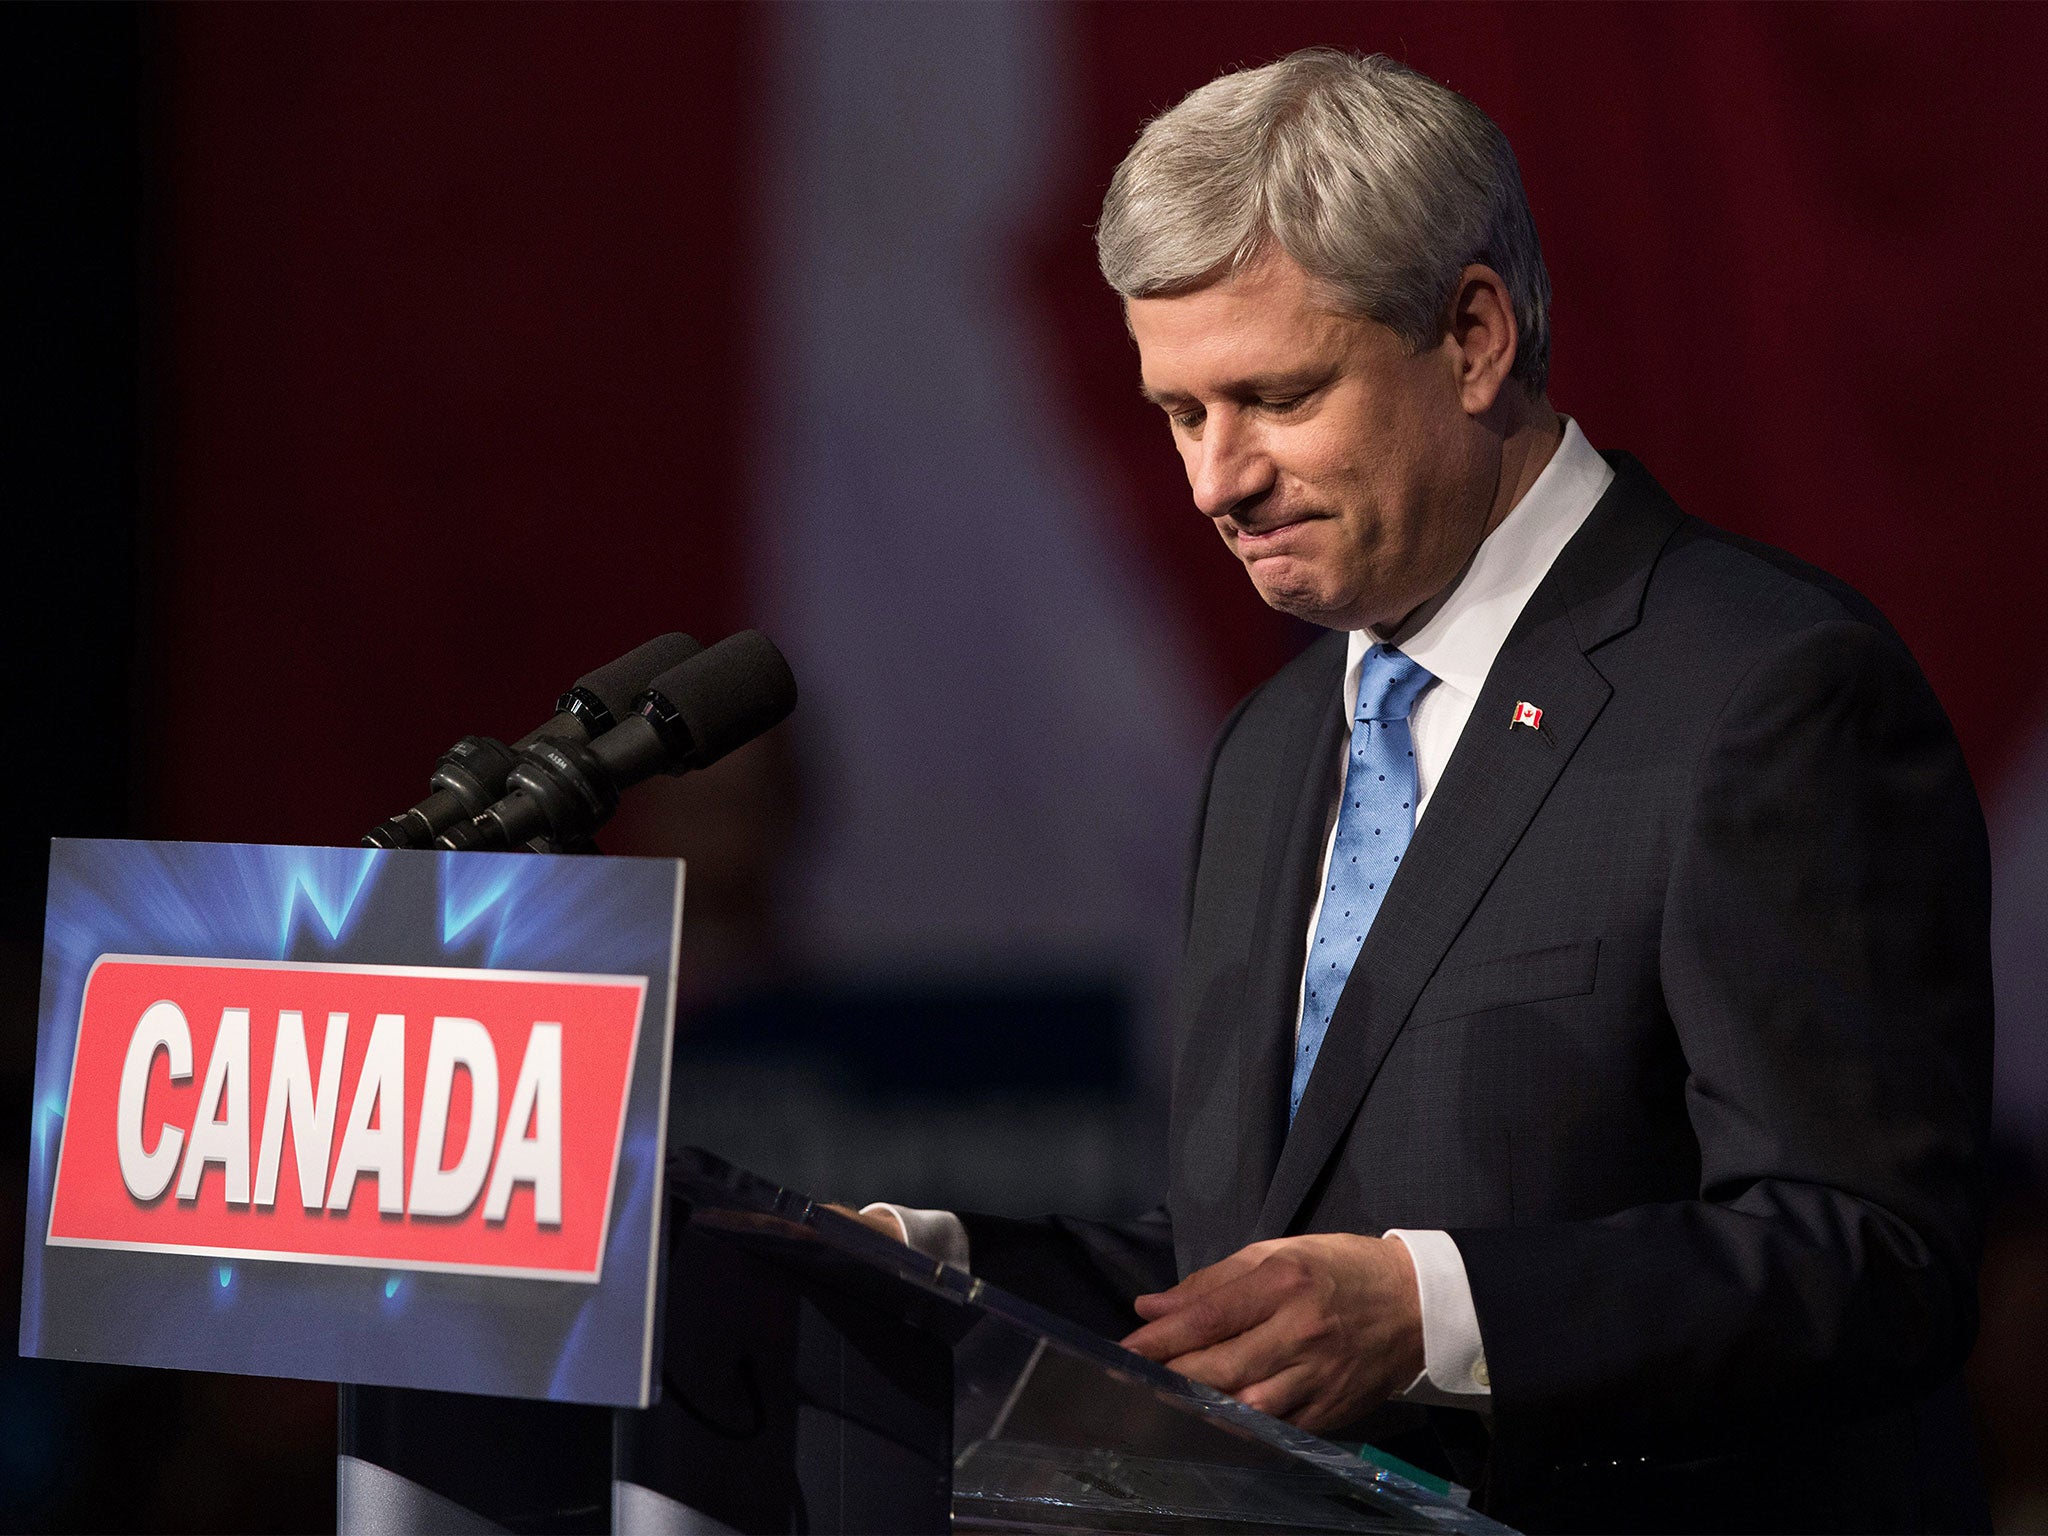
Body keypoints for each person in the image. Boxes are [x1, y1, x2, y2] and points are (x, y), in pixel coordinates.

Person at [855, 49, 1992, 1533]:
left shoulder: (1767, 692)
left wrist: (1430, 1310)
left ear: (1470, 337)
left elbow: (1873, 1258)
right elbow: (1263, 1267)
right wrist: (923, 1261)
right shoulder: (1272, 744)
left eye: (1275, 395)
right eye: (1181, 412)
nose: (1217, 480)